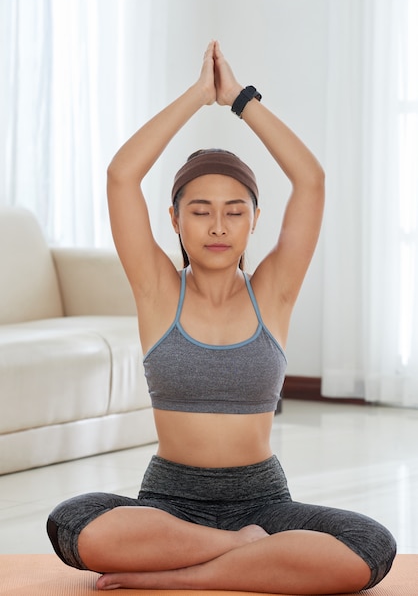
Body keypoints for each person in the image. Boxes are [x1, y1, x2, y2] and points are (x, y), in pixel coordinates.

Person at [47, 40, 396, 594]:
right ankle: (239, 553)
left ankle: (173, 576)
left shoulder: (274, 294)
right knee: (72, 522)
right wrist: (196, 96)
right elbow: (121, 176)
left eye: (235, 212)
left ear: (255, 221)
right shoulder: (157, 290)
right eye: (200, 211)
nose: (217, 226)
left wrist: (238, 99)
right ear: (175, 220)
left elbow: (312, 180)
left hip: (262, 501)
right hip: (168, 503)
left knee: (372, 548)